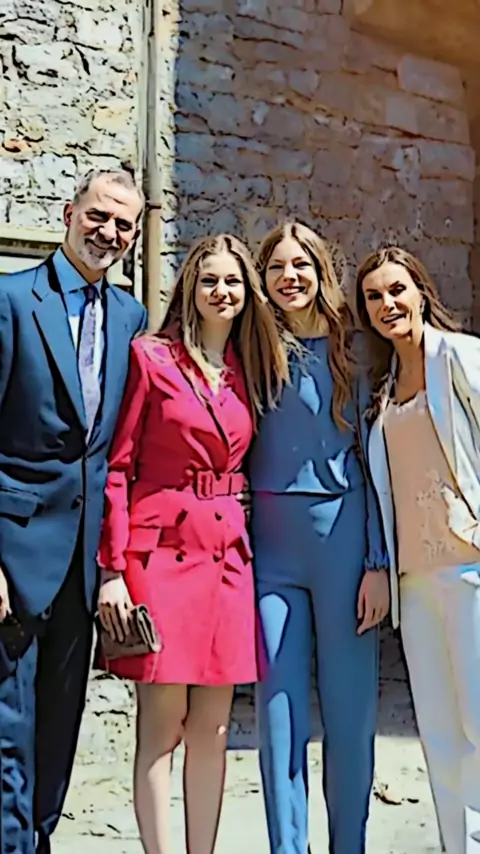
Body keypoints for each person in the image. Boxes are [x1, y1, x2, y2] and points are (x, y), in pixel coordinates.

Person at [96, 233, 288, 854]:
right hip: (160, 555)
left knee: (214, 727)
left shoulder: (249, 368)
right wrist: (113, 570)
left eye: (232, 281)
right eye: (209, 280)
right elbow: (118, 468)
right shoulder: (151, 358)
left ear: (247, 293)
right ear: (190, 288)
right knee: (162, 725)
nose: (221, 291)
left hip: (228, 558)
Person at [0, 168, 147, 854]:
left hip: (83, 565)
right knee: (8, 726)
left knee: (61, 723)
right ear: (68, 212)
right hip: (15, 553)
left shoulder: (131, 318)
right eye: (98, 215)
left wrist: (114, 565)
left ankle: (41, 838)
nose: (108, 232)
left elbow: (115, 451)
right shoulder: (11, 300)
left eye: (124, 224)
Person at [248, 221, 390, 854]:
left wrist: (378, 561)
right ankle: (288, 846)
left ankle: (348, 844)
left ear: (320, 271)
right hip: (271, 551)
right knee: (277, 711)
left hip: (345, 544)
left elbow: (375, 459)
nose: (290, 277)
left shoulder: (355, 349)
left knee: (349, 711)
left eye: (300, 264)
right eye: (277, 267)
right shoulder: (253, 347)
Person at [356, 245, 480, 854]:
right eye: (374, 296)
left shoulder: (459, 356)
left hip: (470, 565)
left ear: (421, 293)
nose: (387, 304)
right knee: (440, 733)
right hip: (415, 581)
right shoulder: (382, 393)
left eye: (397, 290)